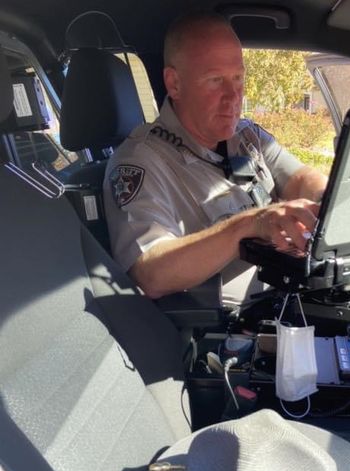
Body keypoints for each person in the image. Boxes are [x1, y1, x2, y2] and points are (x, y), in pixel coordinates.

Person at [103, 12, 328, 307]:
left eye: (238, 77)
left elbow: (300, 178)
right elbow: (150, 272)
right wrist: (248, 226)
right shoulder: (139, 162)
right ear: (174, 84)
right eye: (215, 80)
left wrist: (327, 199)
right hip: (232, 332)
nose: (233, 95)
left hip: (297, 299)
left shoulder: (248, 137)